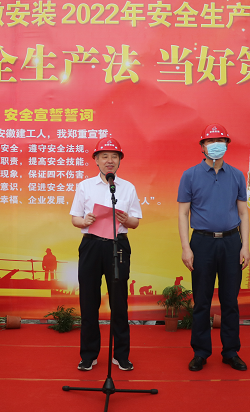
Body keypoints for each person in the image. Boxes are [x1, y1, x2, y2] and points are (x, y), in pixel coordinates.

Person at [177, 123, 250, 372]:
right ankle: (200, 352)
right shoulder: (190, 175)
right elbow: (183, 213)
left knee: (230, 301)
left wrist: (245, 246)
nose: (216, 145)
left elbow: (243, 212)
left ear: (227, 145)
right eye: (210, 141)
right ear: (202, 146)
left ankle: (231, 352)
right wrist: (186, 247)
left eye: (221, 141)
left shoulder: (237, 175)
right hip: (202, 242)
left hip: (231, 242)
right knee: (202, 301)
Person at [70, 137, 142, 372]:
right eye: (104, 156)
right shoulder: (85, 186)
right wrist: (85, 221)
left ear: (120, 160)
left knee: (119, 302)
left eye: (114, 156)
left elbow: (135, 222)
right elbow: (75, 218)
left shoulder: (127, 187)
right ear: (96, 160)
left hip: (118, 246)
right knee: (88, 301)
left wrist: (126, 219)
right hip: (91, 245)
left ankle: (121, 355)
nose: (109, 160)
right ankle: (89, 355)